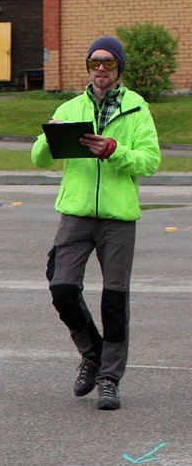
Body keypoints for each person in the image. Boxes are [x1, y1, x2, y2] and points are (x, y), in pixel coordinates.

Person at [31, 35, 161, 410]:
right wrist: (50, 134)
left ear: (119, 68)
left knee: (114, 299)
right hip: (76, 212)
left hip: (118, 217)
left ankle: (109, 379)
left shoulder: (137, 109)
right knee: (62, 287)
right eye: (94, 63)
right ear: (88, 68)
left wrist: (114, 150)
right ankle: (93, 353)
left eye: (109, 62)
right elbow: (39, 159)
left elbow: (150, 161)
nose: (101, 69)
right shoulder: (70, 107)